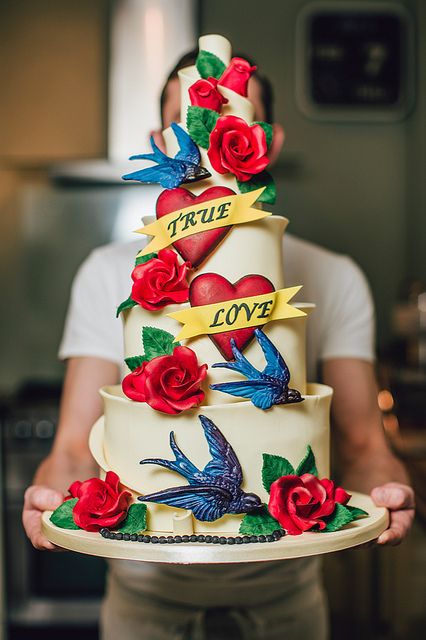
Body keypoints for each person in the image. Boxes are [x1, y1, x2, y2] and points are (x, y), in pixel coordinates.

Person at [23, 49, 415, 640]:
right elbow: (77, 445)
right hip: (142, 593)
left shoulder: (336, 275)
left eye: (234, 125)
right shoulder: (106, 272)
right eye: (189, 128)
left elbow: (361, 442)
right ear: (160, 139)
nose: (208, 145)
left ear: (269, 142)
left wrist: (389, 490)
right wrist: (56, 494)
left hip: (288, 593)